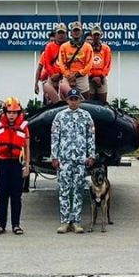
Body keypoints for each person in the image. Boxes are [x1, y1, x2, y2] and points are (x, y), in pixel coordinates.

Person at [50, 87, 96, 234]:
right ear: (67, 100)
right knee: (64, 189)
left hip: (80, 159)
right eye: (71, 99)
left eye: (76, 99)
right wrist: (54, 156)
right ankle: (64, 221)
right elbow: (55, 137)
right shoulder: (60, 116)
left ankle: (76, 221)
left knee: (78, 190)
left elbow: (91, 137)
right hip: (65, 159)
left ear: (80, 101)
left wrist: (91, 155)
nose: (74, 102)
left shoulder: (86, 116)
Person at [0, 96, 30, 236]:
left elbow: (27, 147)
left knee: (16, 196)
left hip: (17, 164)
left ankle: (16, 225)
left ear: (19, 113)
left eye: (14, 113)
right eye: (9, 112)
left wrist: (27, 166)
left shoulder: (24, 125)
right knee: (2, 196)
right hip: (2, 163)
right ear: (5, 112)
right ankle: (0, 225)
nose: (12, 115)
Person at [59, 26, 94, 100]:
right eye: (74, 31)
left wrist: (78, 74)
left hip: (81, 76)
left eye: (78, 30)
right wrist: (69, 75)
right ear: (71, 33)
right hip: (68, 76)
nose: (76, 32)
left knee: (85, 99)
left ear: (81, 32)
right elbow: (61, 63)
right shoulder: (64, 46)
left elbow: (89, 64)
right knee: (65, 99)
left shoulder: (87, 47)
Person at [37, 27, 68, 103]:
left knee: (65, 90)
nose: (61, 35)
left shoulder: (69, 46)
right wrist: (53, 75)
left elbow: (69, 63)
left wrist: (60, 74)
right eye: (59, 33)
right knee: (47, 88)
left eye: (63, 33)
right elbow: (46, 64)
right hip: (51, 76)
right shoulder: (49, 47)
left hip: (65, 75)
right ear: (56, 35)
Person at [85, 28, 112, 102]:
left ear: (101, 36)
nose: (96, 37)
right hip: (90, 79)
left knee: (102, 101)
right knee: (90, 102)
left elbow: (107, 64)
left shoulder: (106, 48)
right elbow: (84, 64)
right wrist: (91, 76)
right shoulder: (87, 48)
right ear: (92, 36)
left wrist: (101, 76)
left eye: (98, 35)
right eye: (94, 35)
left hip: (101, 79)